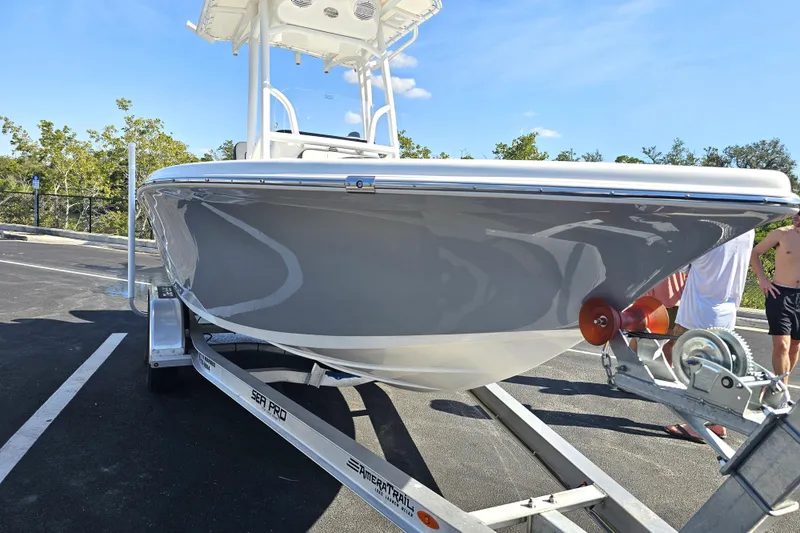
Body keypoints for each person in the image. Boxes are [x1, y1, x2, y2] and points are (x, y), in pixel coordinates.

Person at [664, 228, 756, 443]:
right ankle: (717, 422)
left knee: (697, 369)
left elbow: (681, 264)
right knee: (720, 368)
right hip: (728, 309)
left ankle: (696, 424)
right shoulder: (747, 231)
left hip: (699, 310)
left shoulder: (709, 234)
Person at [751, 213, 800, 397]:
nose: (797, 218)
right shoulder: (781, 234)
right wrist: (763, 280)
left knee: (794, 346)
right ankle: (781, 391)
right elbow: (755, 253)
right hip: (779, 294)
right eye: (796, 215)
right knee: (782, 345)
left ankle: (780, 382)